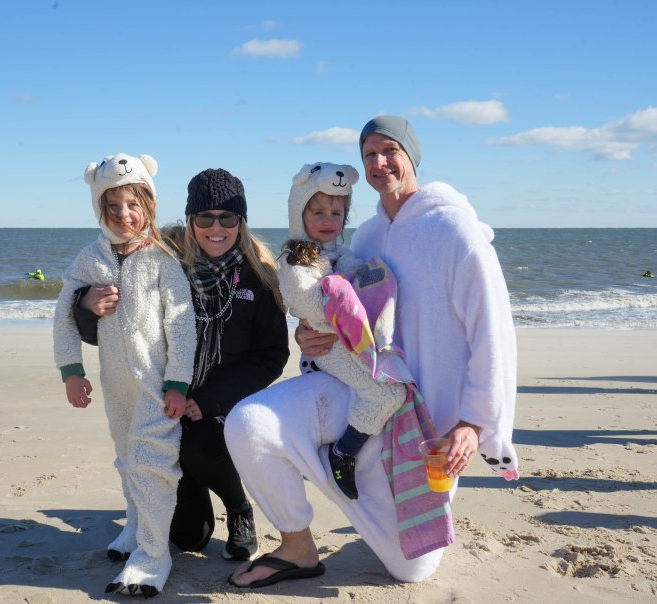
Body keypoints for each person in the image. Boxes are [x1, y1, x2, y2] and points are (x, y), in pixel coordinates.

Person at [225, 116, 518, 588]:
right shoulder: (363, 238)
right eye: (369, 155)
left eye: (390, 151)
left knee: (411, 569)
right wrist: (308, 339)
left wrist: (475, 423)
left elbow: (494, 334)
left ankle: (346, 473)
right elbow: (327, 309)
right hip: (357, 388)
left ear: (411, 156)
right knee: (248, 423)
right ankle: (299, 544)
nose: (380, 163)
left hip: (426, 420)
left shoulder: (456, 231)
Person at [73, 169, 290, 573]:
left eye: (228, 217)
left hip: (224, 409)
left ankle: (239, 507)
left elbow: (272, 356)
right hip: (164, 401)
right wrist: (86, 305)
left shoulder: (260, 277)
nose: (216, 227)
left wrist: (208, 400)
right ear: (190, 220)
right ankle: (174, 494)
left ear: (241, 222)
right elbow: (115, 331)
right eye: (205, 217)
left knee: (200, 443)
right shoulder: (162, 261)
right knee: (189, 538)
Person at [52, 152, 197, 598]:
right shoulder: (89, 258)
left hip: (156, 385)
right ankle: (135, 526)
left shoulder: (161, 260)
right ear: (100, 209)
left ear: (149, 205)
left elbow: (181, 321)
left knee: (152, 461)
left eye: (132, 204)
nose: (123, 214)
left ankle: (154, 555)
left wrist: (177, 381)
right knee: (125, 455)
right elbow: (62, 314)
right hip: (114, 382)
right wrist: (71, 371)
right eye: (112, 206)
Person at [277, 161, 410, 500]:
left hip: (348, 338)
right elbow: (308, 305)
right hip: (330, 345)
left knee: (397, 379)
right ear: (299, 214)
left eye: (336, 213)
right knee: (387, 393)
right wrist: (344, 307)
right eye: (318, 211)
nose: (327, 220)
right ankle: (343, 452)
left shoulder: (342, 254)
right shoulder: (297, 259)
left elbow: (363, 284)